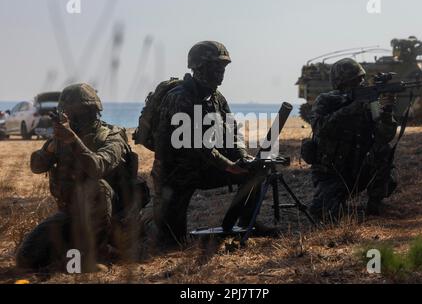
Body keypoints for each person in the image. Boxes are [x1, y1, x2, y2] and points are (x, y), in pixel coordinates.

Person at [144, 41, 275, 247]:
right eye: (216, 67)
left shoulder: (216, 97)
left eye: (223, 68)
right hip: (175, 175)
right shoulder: (180, 98)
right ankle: (145, 220)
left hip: (205, 167)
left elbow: (232, 132)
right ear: (199, 68)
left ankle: (246, 222)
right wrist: (229, 166)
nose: (221, 72)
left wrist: (243, 158)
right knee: (171, 243)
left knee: (254, 172)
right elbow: (197, 145)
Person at [16, 83, 147, 272]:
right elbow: (36, 166)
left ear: (92, 111)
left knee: (97, 187)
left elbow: (97, 167)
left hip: (114, 218)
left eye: (77, 112)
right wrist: (52, 146)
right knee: (26, 259)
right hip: (73, 214)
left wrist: (73, 141)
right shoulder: (65, 136)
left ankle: (95, 254)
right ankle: (75, 251)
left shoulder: (111, 137)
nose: (73, 116)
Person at [308, 58, 398, 220]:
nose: (362, 83)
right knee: (325, 214)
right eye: (356, 80)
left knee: (382, 149)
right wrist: (352, 108)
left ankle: (375, 203)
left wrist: (387, 112)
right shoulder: (326, 100)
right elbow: (320, 128)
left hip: (359, 170)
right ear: (342, 83)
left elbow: (385, 136)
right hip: (332, 173)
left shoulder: (369, 103)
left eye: (362, 78)